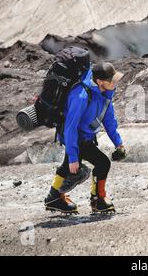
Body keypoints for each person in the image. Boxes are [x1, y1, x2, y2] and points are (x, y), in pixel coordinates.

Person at [44, 62, 127, 214]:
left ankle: (54, 197)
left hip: (84, 135)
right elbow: (70, 128)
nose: (115, 82)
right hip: (74, 137)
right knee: (102, 163)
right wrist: (75, 156)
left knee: (67, 166)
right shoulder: (80, 96)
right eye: (111, 80)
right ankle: (98, 200)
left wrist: (118, 143)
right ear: (100, 82)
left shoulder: (105, 94)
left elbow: (109, 120)